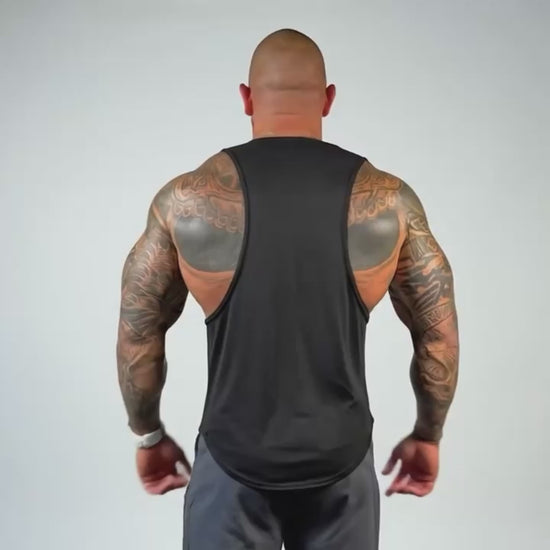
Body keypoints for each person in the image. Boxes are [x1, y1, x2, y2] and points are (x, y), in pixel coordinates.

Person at [116, 28, 459, 550]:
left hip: (231, 467)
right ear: (328, 100)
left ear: (246, 99)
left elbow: (137, 333)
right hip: (342, 467)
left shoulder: (186, 200)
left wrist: (149, 435)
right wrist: (428, 435)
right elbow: (438, 337)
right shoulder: (389, 201)